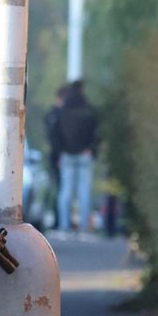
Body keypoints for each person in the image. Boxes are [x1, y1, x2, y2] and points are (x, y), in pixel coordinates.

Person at [52, 79, 100, 235]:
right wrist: (91, 149)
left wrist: (59, 152)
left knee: (66, 191)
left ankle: (64, 226)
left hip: (66, 154)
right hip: (85, 154)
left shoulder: (62, 111)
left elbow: (56, 134)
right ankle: (85, 227)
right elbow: (96, 132)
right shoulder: (88, 110)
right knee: (84, 192)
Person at [44, 85, 68, 218]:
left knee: (57, 186)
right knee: (59, 187)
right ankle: (57, 216)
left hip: (54, 154)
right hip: (57, 155)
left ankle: (55, 215)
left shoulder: (51, 113)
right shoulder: (58, 114)